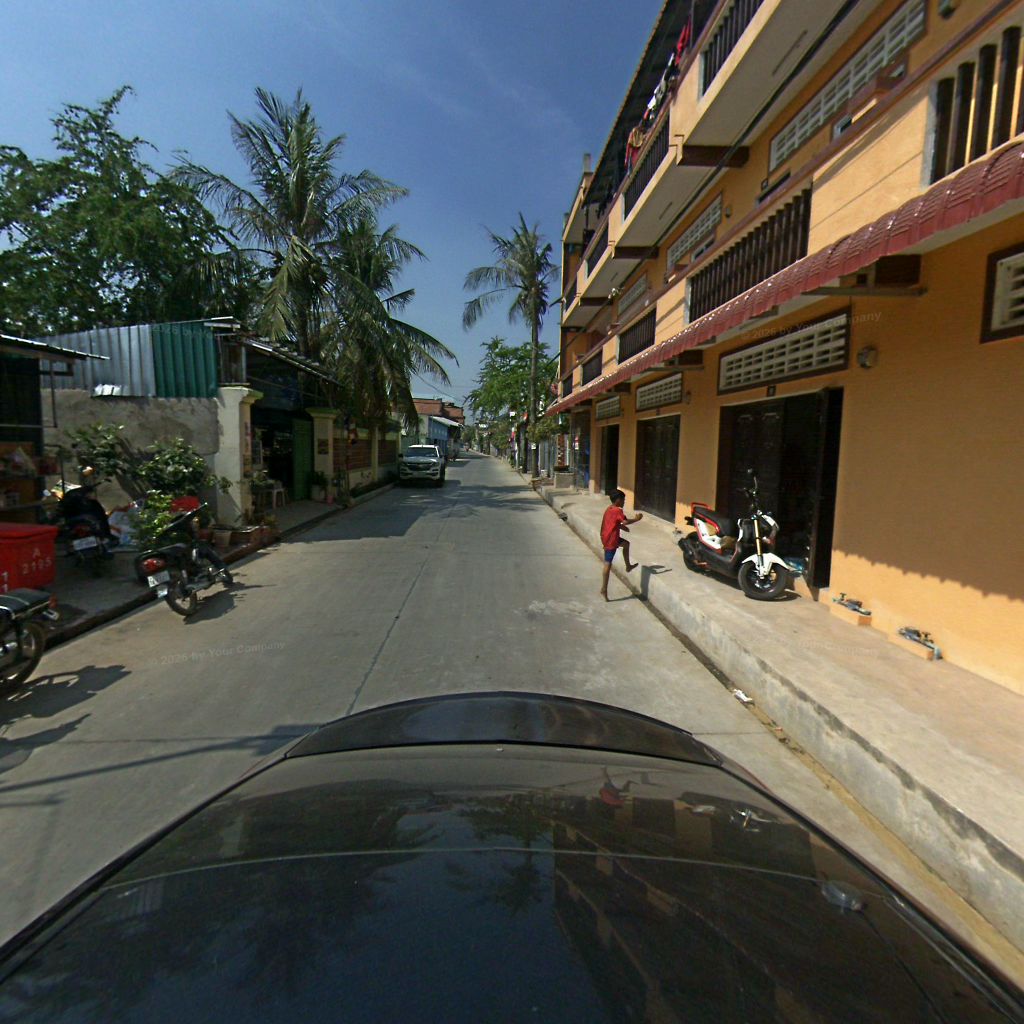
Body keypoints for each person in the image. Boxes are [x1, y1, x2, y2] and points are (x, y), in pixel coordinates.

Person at [600, 489, 642, 600]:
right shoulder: (618, 511)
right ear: (618, 500)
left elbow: (613, 522)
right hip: (611, 540)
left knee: (626, 544)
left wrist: (623, 527)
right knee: (607, 563)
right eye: (624, 500)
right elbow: (625, 521)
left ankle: (628, 566)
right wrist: (636, 519)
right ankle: (604, 589)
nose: (624, 502)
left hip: (606, 536)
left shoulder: (609, 509)